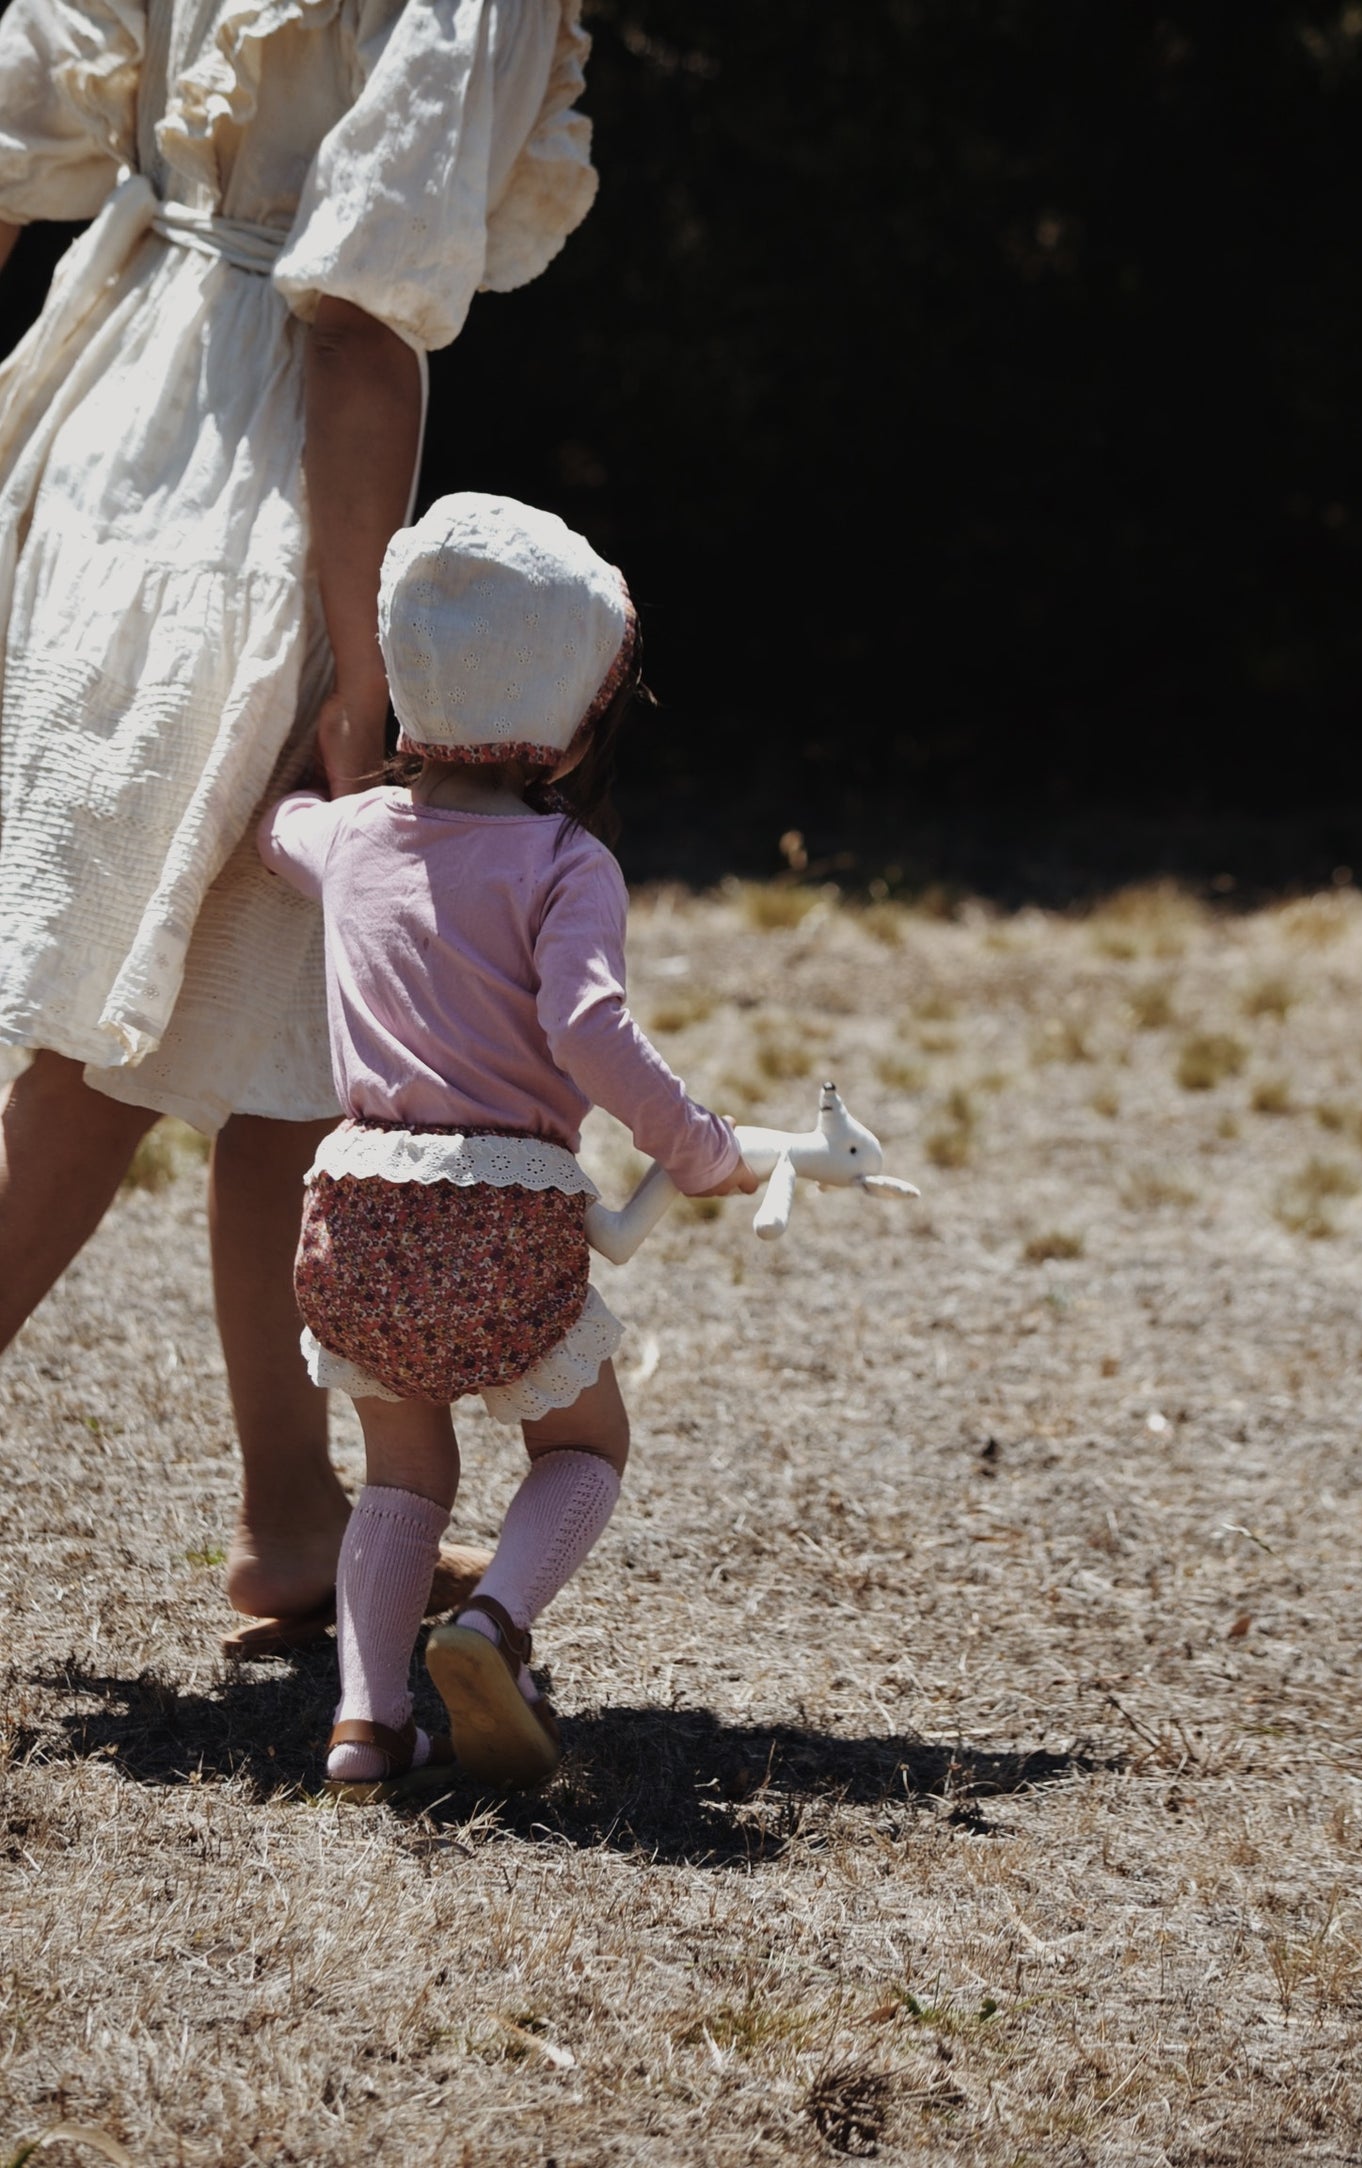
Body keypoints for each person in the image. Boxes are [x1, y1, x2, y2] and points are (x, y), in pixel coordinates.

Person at [0, 0, 598, 1652]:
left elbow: (20, 121)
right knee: (108, 1041)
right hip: (263, 512)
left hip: (105, 430)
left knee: (283, 1028)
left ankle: (292, 1515)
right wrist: (365, 670)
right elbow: (352, 309)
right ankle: (291, 1513)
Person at [256, 494, 758, 1798]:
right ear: (577, 710)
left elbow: (279, 831)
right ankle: (492, 1627)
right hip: (501, 1212)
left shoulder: (356, 835)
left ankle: (365, 1726)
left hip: (354, 1211)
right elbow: (587, 1029)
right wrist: (696, 1147)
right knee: (582, 1447)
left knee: (402, 1478)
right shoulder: (563, 862)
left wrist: (327, 752)